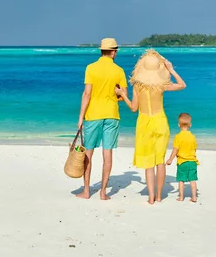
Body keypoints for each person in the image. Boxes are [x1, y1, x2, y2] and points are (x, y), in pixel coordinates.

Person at [115, 49, 186, 204]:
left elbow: (134, 108)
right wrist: (171, 69)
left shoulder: (137, 86)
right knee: (160, 161)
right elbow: (182, 85)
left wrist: (122, 94)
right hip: (160, 121)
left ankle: (151, 198)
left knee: (148, 162)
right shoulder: (162, 85)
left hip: (144, 123)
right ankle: (160, 197)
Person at [76, 38, 128, 200]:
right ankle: (103, 192)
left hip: (93, 114)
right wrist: (115, 95)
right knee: (107, 154)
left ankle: (86, 191)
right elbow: (123, 95)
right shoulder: (119, 71)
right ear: (113, 52)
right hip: (112, 114)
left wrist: (80, 117)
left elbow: (87, 94)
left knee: (88, 154)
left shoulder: (91, 68)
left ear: (102, 51)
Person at [166, 112, 199, 202]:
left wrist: (170, 159)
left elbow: (175, 150)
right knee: (192, 180)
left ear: (178, 125)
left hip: (182, 162)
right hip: (192, 162)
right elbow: (194, 149)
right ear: (190, 125)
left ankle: (181, 197)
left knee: (181, 180)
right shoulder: (192, 137)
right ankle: (194, 197)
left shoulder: (178, 137)